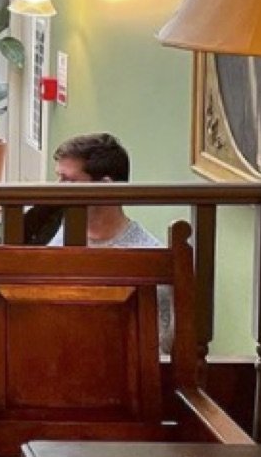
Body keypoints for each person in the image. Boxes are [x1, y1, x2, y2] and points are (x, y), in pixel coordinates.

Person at [50, 132, 173, 352]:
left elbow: (160, 348)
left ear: (105, 187)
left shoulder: (148, 257)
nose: (56, 189)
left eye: (68, 181)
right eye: (58, 178)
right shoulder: (57, 234)